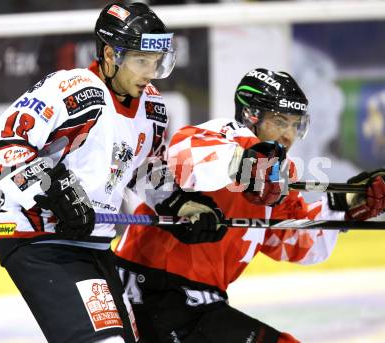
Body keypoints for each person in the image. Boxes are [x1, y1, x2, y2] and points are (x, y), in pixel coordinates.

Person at [114, 68, 385, 342]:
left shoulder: (279, 174)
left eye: (295, 125)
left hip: (196, 305)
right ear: (250, 115)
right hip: (149, 290)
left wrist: (348, 204)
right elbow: (180, 157)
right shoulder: (225, 135)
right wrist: (241, 163)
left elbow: (293, 239)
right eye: (280, 121)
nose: (288, 135)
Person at [0, 2, 178, 342]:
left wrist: (181, 206)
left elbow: (147, 172)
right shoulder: (74, 89)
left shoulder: (153, 107)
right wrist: (54, 191)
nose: (150, 72)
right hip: (40, 240)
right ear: (109, 54)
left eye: (156, 62)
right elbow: (3, 144)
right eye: (140, 61)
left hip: (96, 247)